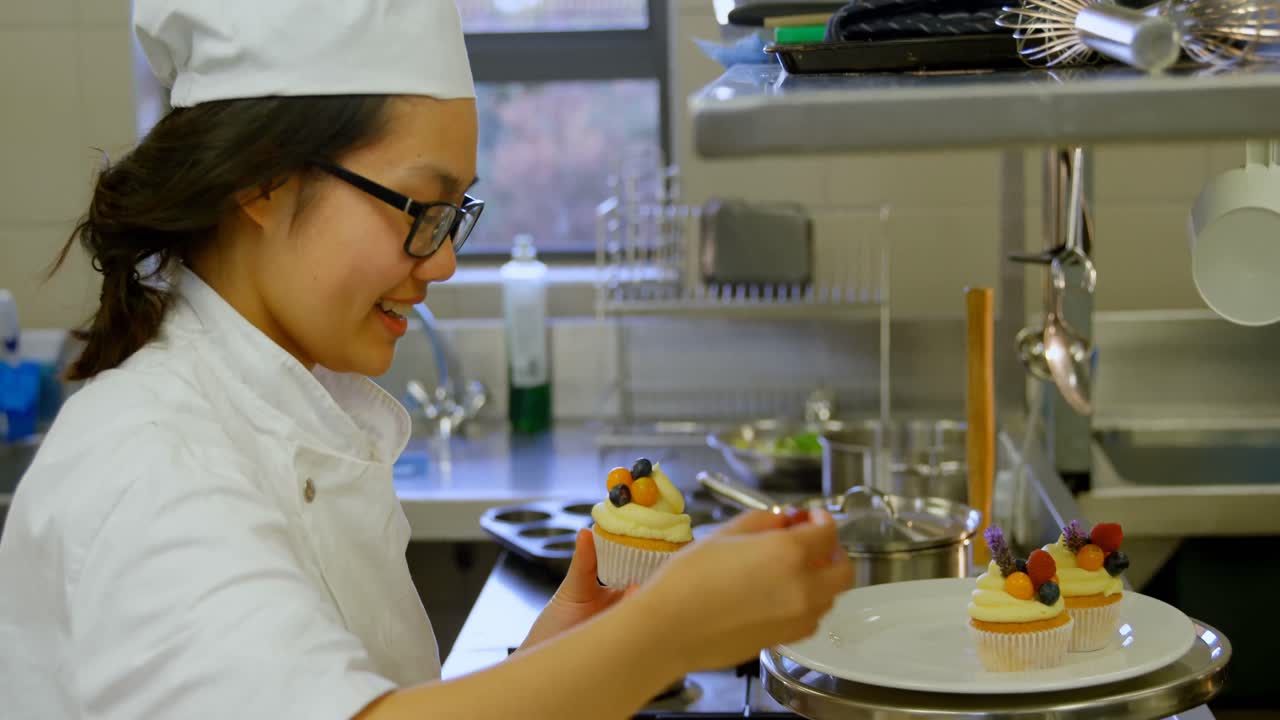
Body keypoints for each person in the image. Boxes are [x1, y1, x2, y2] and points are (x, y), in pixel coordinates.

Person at [0, 2, 854, 718]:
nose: (443, 260)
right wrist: (664, 631)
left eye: (457, 214)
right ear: (260, 181)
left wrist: (570, 650)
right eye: (421, 207)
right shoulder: (145, 463)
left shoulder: (293, 409)